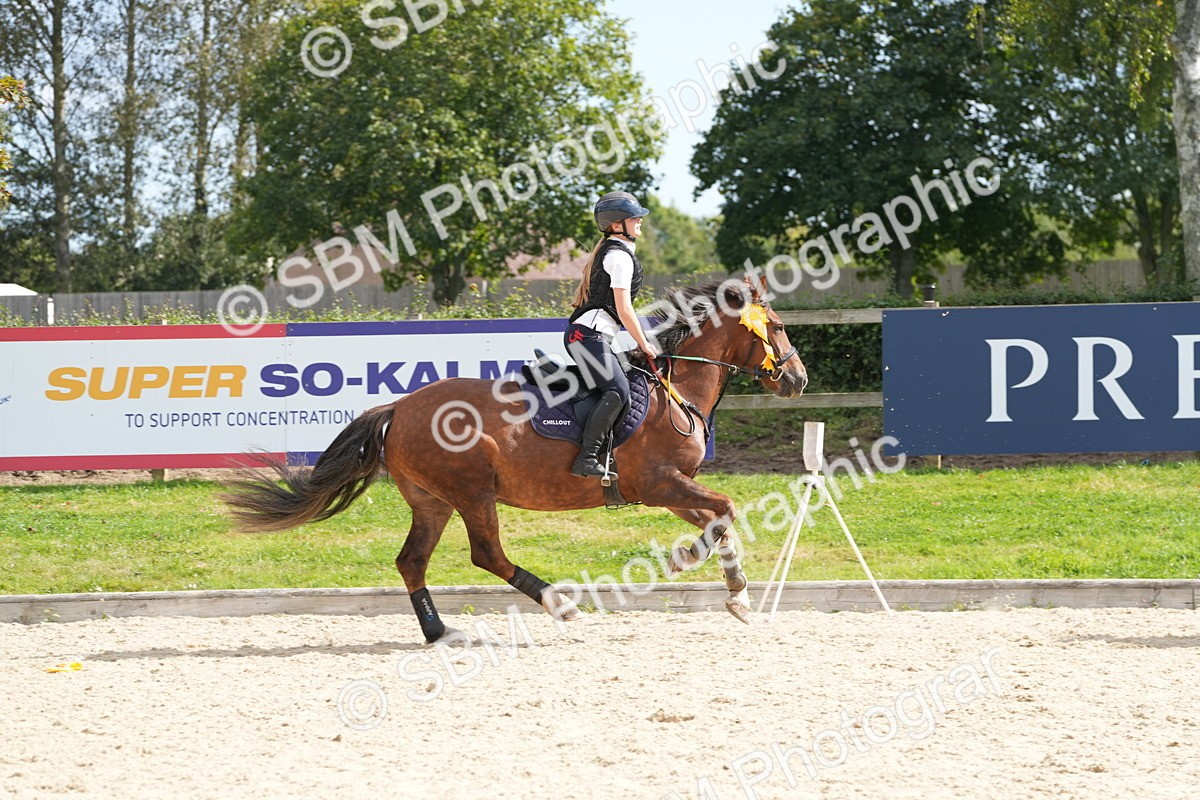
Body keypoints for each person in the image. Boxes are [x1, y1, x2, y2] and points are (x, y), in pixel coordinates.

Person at [564, 191, 662, 479]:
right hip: (586, 338)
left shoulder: (617, 253)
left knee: (624, 386)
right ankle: (587, 458)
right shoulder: (619, 257)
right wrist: (644, 344)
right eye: (635, 218)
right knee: (618, 391)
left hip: (593, 337)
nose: (641, 221)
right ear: (617, 225)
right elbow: (625, 309)